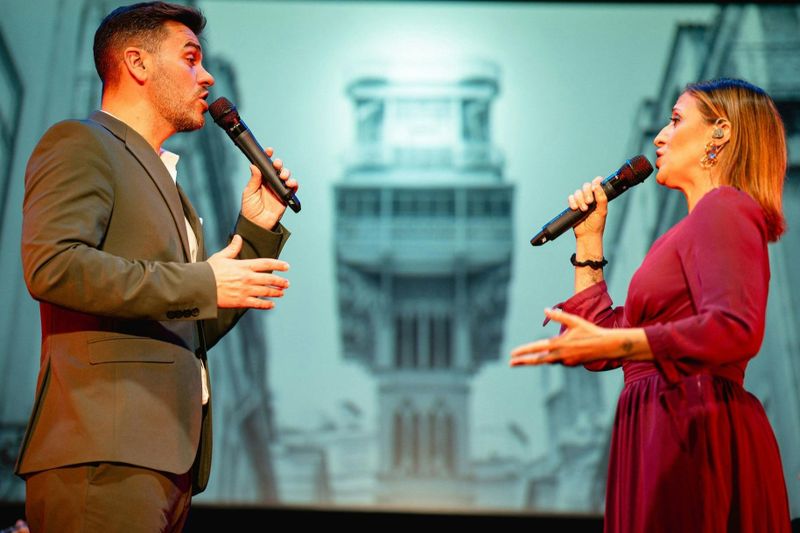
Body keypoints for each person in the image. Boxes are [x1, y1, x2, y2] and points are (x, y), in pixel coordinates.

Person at [15, 2, 298, 531]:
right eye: (191, 58)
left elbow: (183, 326)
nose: (206, 75)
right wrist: (203, 280)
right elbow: (54, 266)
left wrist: (255, 229)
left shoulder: (166, 183)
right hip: (103, 456)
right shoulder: (80, 143)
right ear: (137, 64)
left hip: (165, 462)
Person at [510, 78, 791, 532]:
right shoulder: (690, 229)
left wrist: (620, 344)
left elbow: (734, 328)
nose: (660, 136)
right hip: (662, 419)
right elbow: (601, 347)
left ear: (720, 132)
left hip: (691, 425)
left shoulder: (724, 208)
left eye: (676, 120)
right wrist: (589, 241)